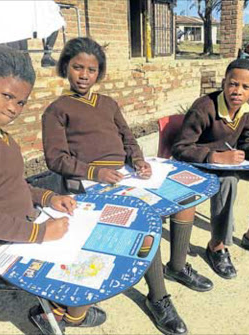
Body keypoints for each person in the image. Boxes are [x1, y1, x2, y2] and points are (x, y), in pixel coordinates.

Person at [42, 37, 209, 335]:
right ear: (65, 67)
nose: (83, 75)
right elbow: (56, 159)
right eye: (77, 67)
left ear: (99, 74)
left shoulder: (107, 104)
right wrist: (96, 172)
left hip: (125, 176)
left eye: (91, 70)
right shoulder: (57, 110)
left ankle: (178, 266)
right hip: (89, 185)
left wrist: (139, 160)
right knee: (146, 220)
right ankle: (158, 298)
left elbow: (128, 137)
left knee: (183, 198)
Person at [0, 45, 106, 334]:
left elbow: (14, 184)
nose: (13, 108)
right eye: (7, 96)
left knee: (95, 238)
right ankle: (65, 316)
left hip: (21, 225)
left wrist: (49, 197)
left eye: (21, 102)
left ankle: (61, 311)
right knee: (86, 264)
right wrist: (41, 233)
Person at [172, 59, 249, 280]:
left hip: (232, 160)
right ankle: (217, 245)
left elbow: (248, 140)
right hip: (202, 164)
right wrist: (213, 156)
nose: (238, 91)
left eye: (245, 87)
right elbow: (180, 148)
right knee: (228, 179)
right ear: (224, 83)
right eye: (233, 84)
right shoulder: (204, 107)